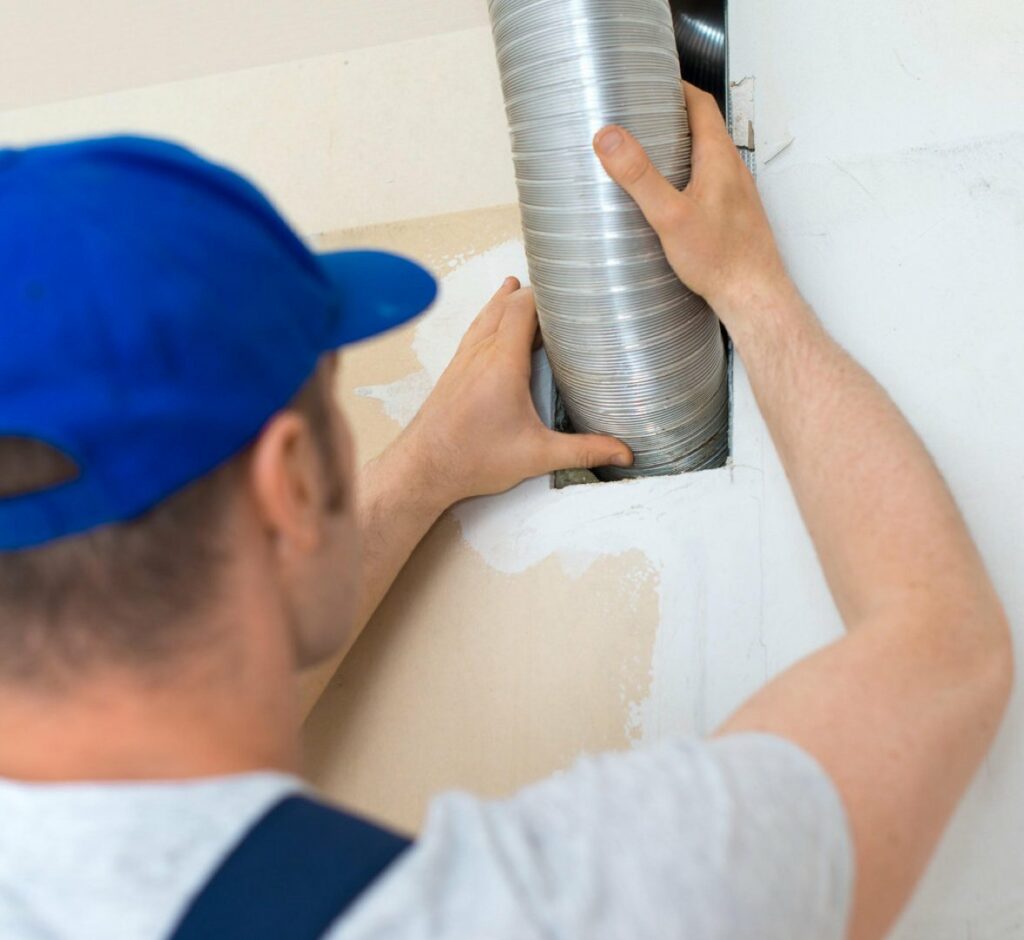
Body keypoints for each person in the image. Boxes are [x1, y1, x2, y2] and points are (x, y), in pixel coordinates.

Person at [0, 83, 1011, 940]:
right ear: (291, 483)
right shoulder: (524, 911)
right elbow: (941, 649)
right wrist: (753, 291)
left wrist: (431, 467)